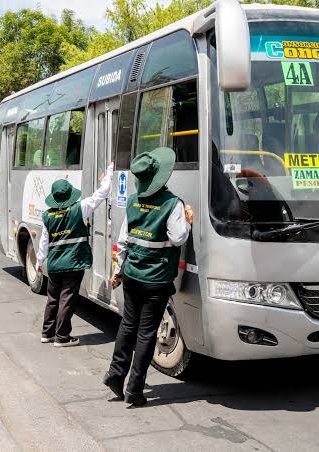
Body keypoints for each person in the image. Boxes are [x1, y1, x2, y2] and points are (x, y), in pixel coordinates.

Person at [103, 147, 194, 407]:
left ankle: (115, 373)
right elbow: (178, 238)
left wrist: (118, 271)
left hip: (131, 275)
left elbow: (123, 242)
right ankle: (134, 390)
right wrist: (188, 221)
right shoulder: (172, 204)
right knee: (146, 334)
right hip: (157, 281)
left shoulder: (133, 201)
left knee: (128, 326)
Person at [36, 164, 114, 347]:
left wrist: (40, 261)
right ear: (70, 195)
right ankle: (62, 337)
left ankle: (47, 333)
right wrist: (109, 172)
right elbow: (101, 194)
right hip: (73, 264)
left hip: (54, 265)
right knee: (66, 299)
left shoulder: (47, 216)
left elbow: (43, 243)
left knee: (53, 299)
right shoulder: (80, 208)